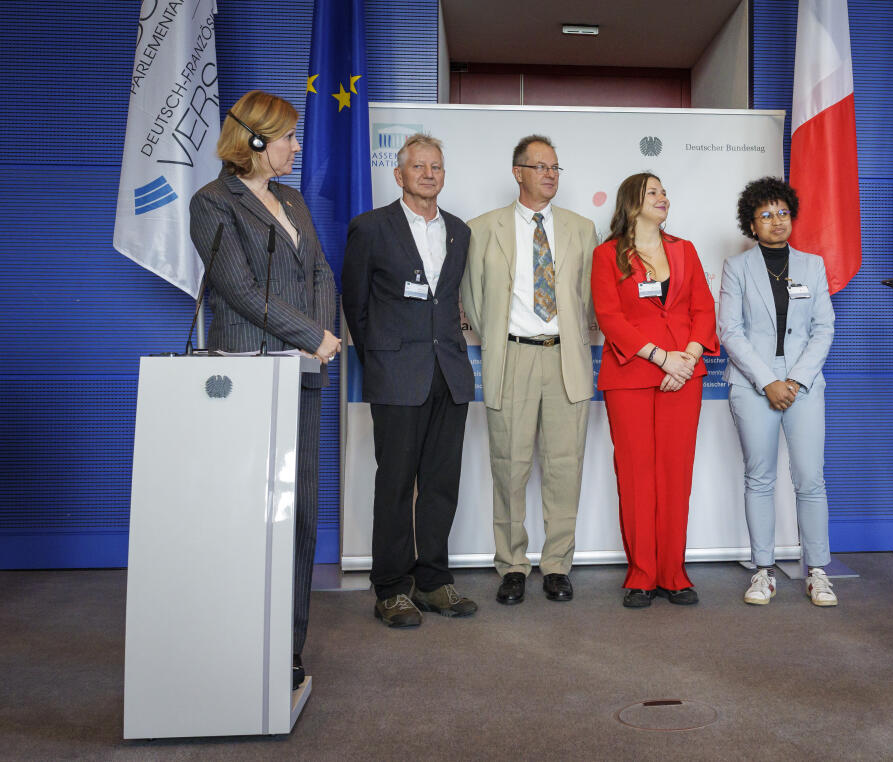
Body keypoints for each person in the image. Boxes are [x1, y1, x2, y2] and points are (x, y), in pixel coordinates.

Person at [189, 90, 341, 690]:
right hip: (248, 374)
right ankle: (237, 645)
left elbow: (322, 271)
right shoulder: (211, 203)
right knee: (251, 517)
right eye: (287, 137)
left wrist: (322, 338)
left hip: (301, 374)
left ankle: (288, 646)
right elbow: (238, 291)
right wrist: (309, 334)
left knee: (300, 513)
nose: (296, 147)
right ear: (253, 140)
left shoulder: (293, 200)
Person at [342, 133, 477, 628]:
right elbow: (355, 304)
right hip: (396, 374)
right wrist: (379, 360)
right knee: (396, 485)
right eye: (417, 166)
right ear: (398, 175)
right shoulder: (371, 227)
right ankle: (392, 588)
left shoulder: (460, 231)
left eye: (436, 166)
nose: (428, 174)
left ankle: (434, 581)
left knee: (442, 484)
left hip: (450, 375)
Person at [463, 135, 598, 606]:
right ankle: (513, 565)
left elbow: (588, 300)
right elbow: (473, 300)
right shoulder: (483, 228)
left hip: (567, 358)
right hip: (512, 355)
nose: (549, 174)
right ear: (517, 172)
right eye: (539, 166)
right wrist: (503, 339)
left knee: (565, 467)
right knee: (509, 466)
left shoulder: (583, 228)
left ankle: (557, 565)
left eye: (556, 167)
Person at [590, 172, 718, 608]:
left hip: (684, 374)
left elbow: (703, 307)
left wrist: (686, 358)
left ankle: (674, 574)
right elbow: (609, 317)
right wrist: (661, 357)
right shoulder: (607, 255)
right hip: (630, 375)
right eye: (654, 192)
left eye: (664, 191)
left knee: (675, 474)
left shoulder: (685, 250)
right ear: (632, 202)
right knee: (636, 475)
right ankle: (642, 574)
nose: (664, 197)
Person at [717, 177, 837, 607]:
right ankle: (763, 571)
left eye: (783, 212)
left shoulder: (813, 265)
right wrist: (767, 380)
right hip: (754, 383)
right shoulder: (737, 267)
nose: (777, 221)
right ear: (751, 223)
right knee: (760, 477)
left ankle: (818, 571)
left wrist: (796, 380)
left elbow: (824, 328)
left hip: (803, 383)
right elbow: (729, 330)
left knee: (810, 478)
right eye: (766, 215)